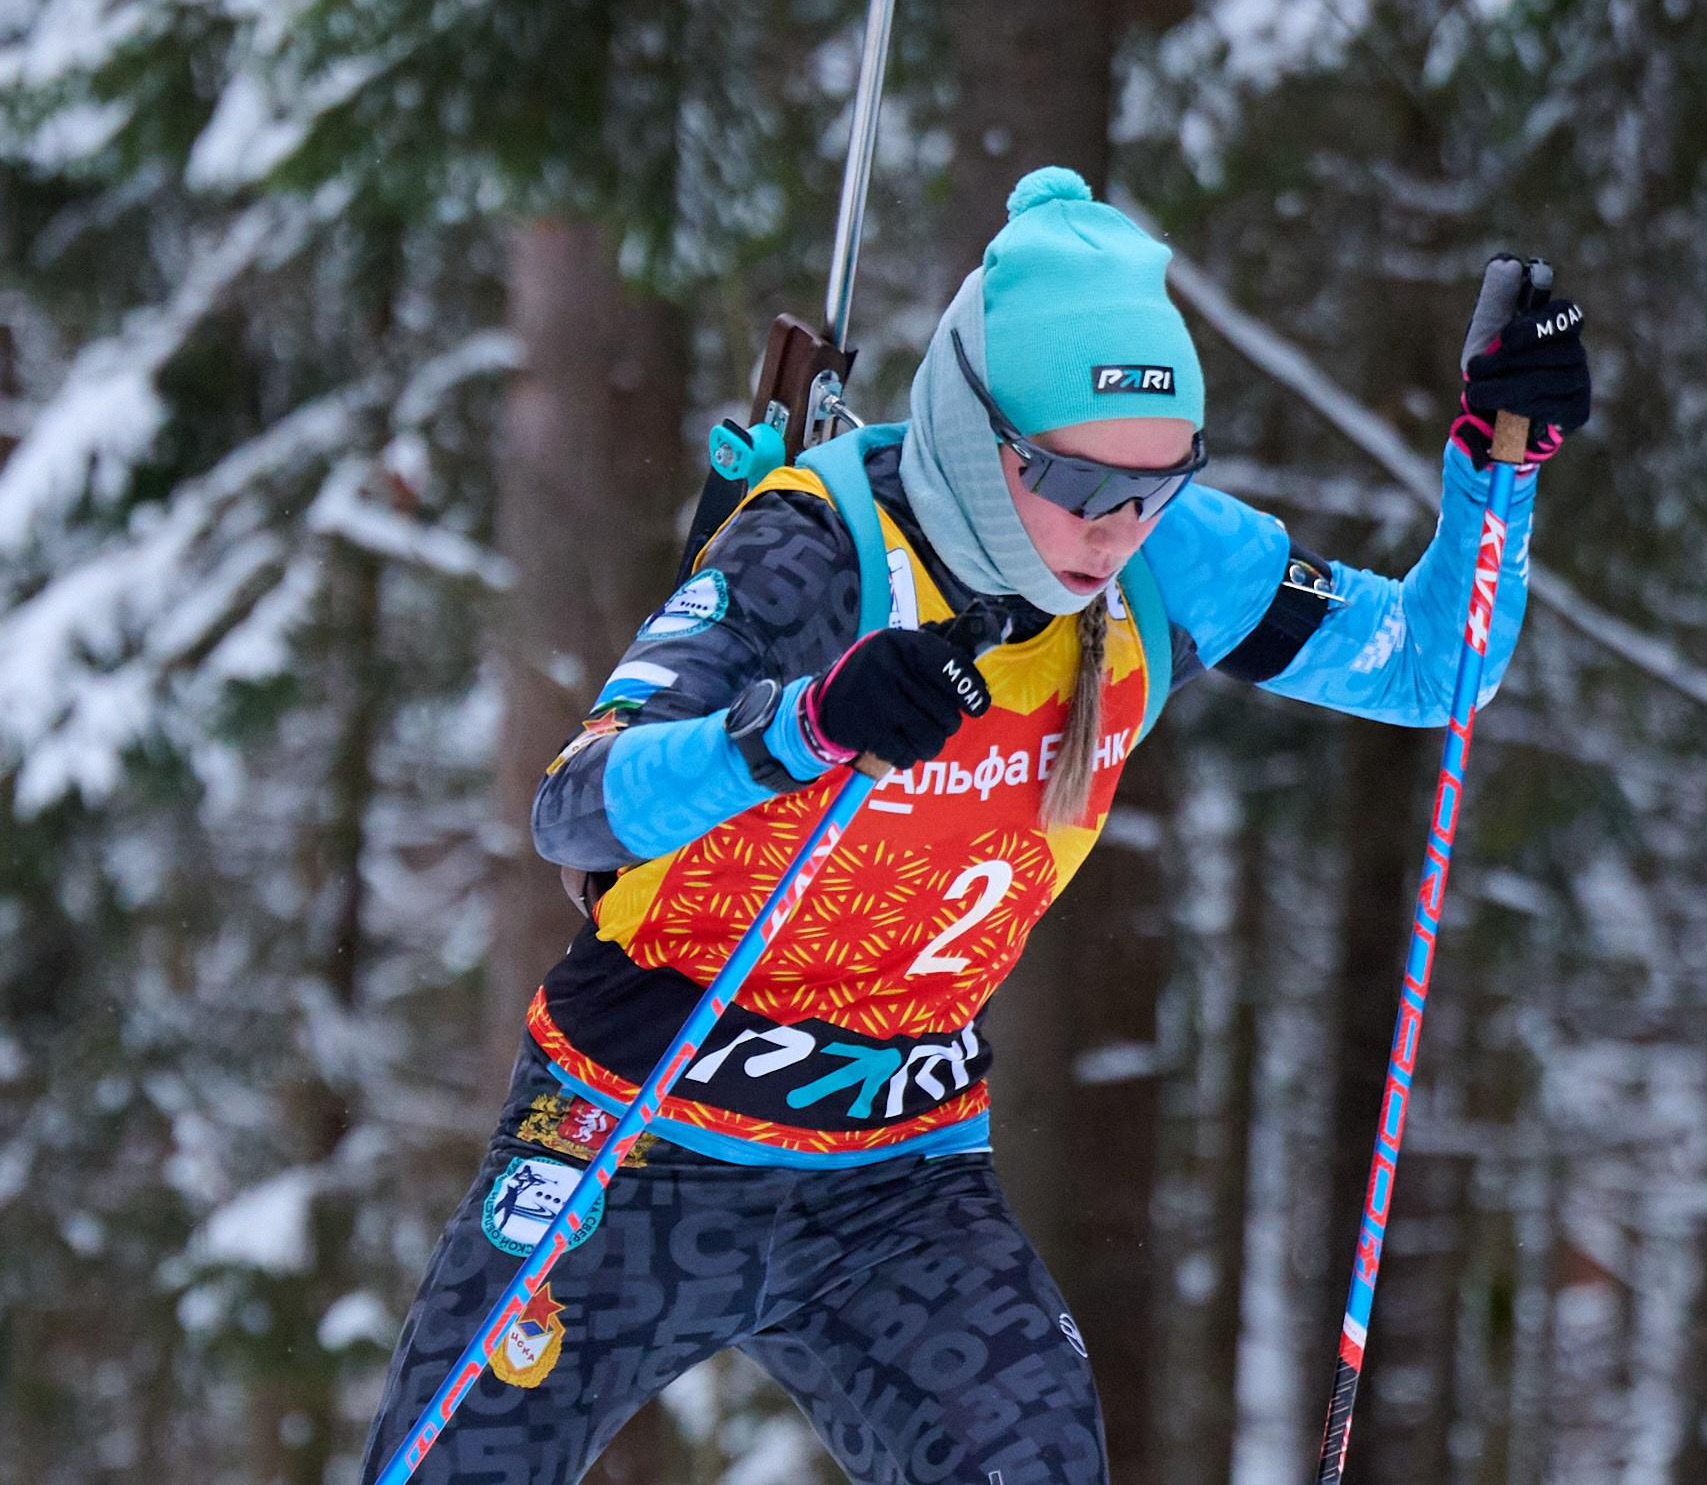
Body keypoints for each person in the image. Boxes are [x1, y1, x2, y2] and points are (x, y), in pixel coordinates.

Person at [361, 167, 1591, 1485]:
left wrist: (1500, 465)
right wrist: (806, 725)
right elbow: (578, 805)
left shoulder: (1165, 557)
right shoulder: (819, 549)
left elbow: (1426, 663)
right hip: (631, 1138)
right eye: (1072, 480)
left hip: (896, 1181)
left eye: (1159, 484)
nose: (1115, 530)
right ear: (974, 426)